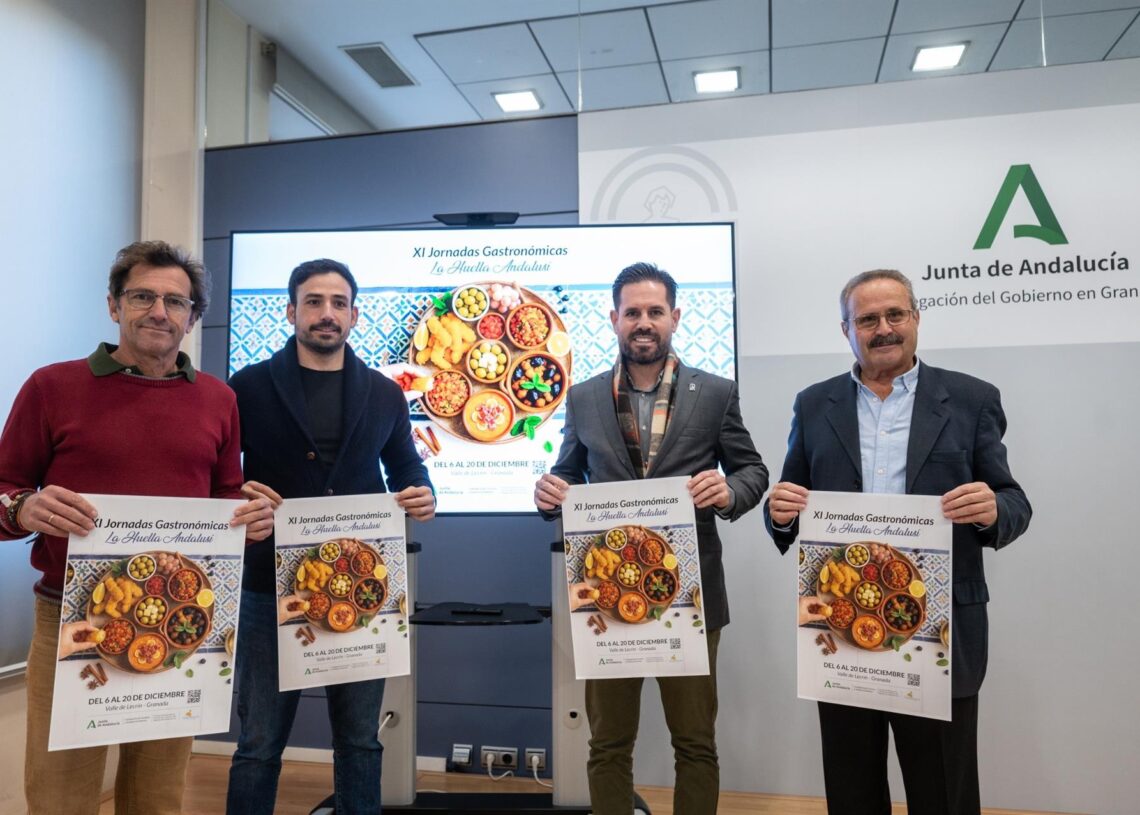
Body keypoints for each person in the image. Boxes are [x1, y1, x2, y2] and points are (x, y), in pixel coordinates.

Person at [0, 240, 275, 815]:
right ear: (113, 305)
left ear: (192, 317)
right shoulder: (51, 387)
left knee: (158, 795)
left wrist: (247, 517)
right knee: (59, 795)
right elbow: (6, 487)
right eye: (142, 296)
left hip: (182, 621)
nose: (159, 312)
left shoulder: (218, 400)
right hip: (73, 620)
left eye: (176, 302)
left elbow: (225, 495)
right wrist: (23, 509)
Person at [764, 269, 1032, 815]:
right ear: (847, 330)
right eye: (867, 319)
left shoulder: (972, 399)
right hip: (841, 631)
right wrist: (780, 514)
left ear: (916, 319)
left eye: (895, 314)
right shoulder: (814, 404)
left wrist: (993, 510)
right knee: (852, 791)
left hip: (938, 632)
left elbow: (1014, 502)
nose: (883, 328)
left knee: (943, 793)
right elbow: (791, 501)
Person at [534, 262, 768, 815]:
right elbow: (567, 472)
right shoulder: (584, 397)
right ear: (614, 318)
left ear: (675, 318)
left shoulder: (715, 393)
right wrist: (550, 492)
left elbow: (752, 472)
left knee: (695, 743)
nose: (644, 322)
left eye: (655, 312)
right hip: (606, 596)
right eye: (632, 312)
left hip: (691, 596)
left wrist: (728, 491)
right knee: (608, 744)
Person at [226, 258, 435, 815]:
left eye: (338, 303)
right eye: (313, 302)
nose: (326, 313)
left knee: (361, 741)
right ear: (291, 311)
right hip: (267, 587)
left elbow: (407, 467)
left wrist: (423, 493)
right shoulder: (247, 387)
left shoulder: (385, 393)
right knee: (259, 745)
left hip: (362, 588)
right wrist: (236, 495)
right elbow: (217, 473)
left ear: (354, 315)